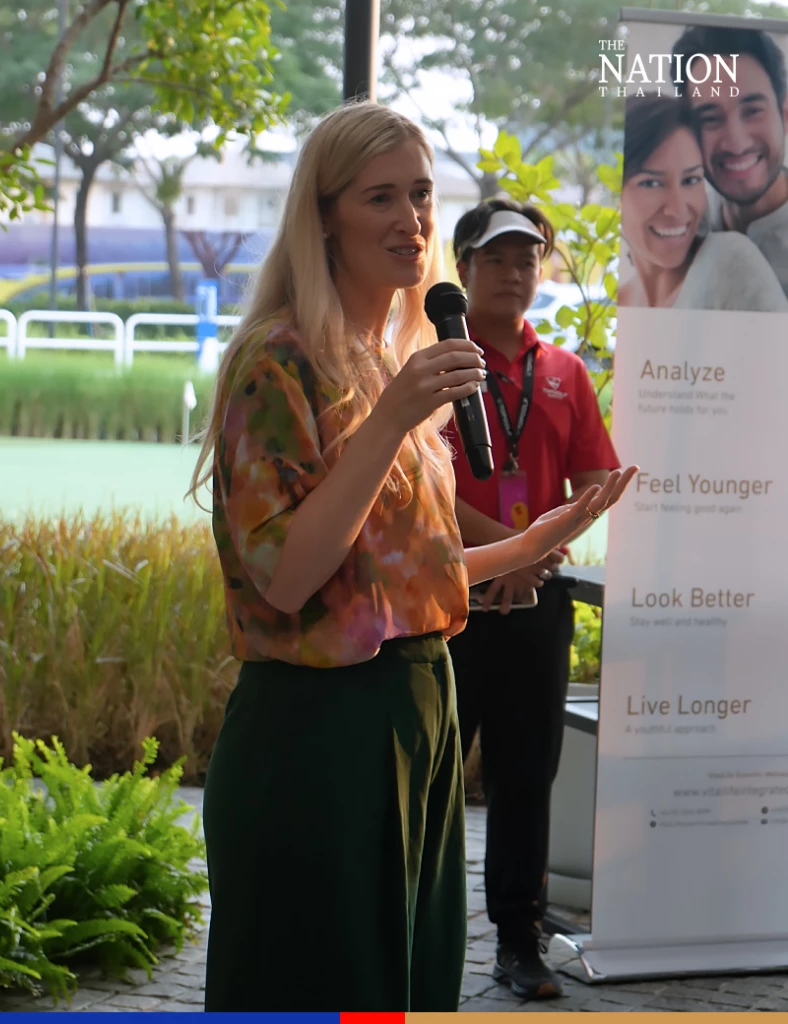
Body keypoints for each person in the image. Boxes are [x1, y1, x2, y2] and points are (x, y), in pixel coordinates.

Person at [188, 103, 635, 1012]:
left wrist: (530, 541)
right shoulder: (279, 362)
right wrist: (390, 419)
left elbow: (391, 583)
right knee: (322, 985)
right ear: (324, 217)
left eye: (422, 194)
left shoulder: (385, 357)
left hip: (416, 717)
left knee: (405, 990)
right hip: (318, 734)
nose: (412, 219)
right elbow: (287, 577)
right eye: (380, 196)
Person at [442, 198, 623, 1001]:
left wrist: (533, 557)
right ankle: (418, 937)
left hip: (537, 604)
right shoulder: (436, 361)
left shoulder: (564, 373)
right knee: (433, 778)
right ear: (464, 269)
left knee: (525, 780)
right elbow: (422, 486)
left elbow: (592, 483)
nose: (515, 273)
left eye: (528, 259)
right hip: (446, 603)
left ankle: (520, 942)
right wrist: (502, 556)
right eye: (497, 259)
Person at [619, 95, 788, 311]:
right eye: (651, 183)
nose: (678, 210)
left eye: (691, 180)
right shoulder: (621, 302)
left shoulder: (728, 262)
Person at [671, 25, 788, 298]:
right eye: (710, 118)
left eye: (752, 111)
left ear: (784, 115)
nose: (736, 143)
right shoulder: (676, 227)